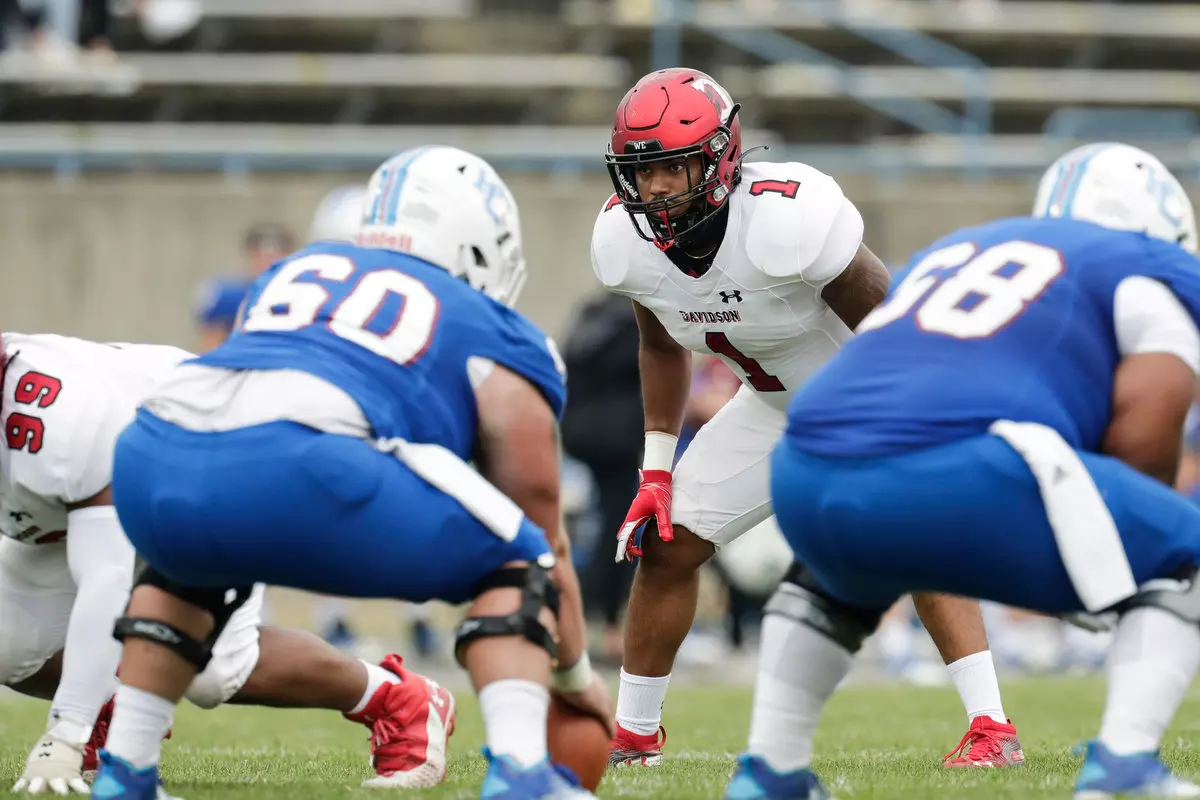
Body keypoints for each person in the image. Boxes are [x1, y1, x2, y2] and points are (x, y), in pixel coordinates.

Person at [91, 145, 612, 800]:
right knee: (520, 561)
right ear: (484, 244)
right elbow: (541, 527)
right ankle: (521, 774)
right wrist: (575, 678)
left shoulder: (293, 271)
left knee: (189, 562)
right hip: (302, 464)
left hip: (151, 456)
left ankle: (125, 772)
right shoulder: (492, 325)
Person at [726, 142, 1200, 799]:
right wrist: (1123, 549)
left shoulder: (960, 246)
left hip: (805, 464)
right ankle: (1125, 766)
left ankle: (771, 772)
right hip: (956, 470)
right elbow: (1148, 429)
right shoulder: (1147, 264)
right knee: (1185, 549)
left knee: (831, 585)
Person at [592, 66, 1020, 769]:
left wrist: (917, 421)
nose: (656, 187)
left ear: (720, 159)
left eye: (672, 167)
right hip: (771, 406)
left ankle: (992, 728)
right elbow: (661, 344)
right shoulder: (624, 241)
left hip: (863, 396)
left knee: (915, 532)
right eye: (643, 171)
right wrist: (657, 470)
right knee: (667, 543)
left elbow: (892, 323)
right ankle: (635, 737)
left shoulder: (787, 219)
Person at [0, 334, 455, 797]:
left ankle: (398, 699)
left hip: (206, 458)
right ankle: (113, 713)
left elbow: (106, 579)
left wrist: (65, 732)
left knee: (211, 666)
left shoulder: (57, 422)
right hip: (89, 491)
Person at [193, 222, 295, 353]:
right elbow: (209, 345)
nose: (267, 261)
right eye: (260, 255)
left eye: (275, 255)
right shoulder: (228, 294)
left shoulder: (299, 294)